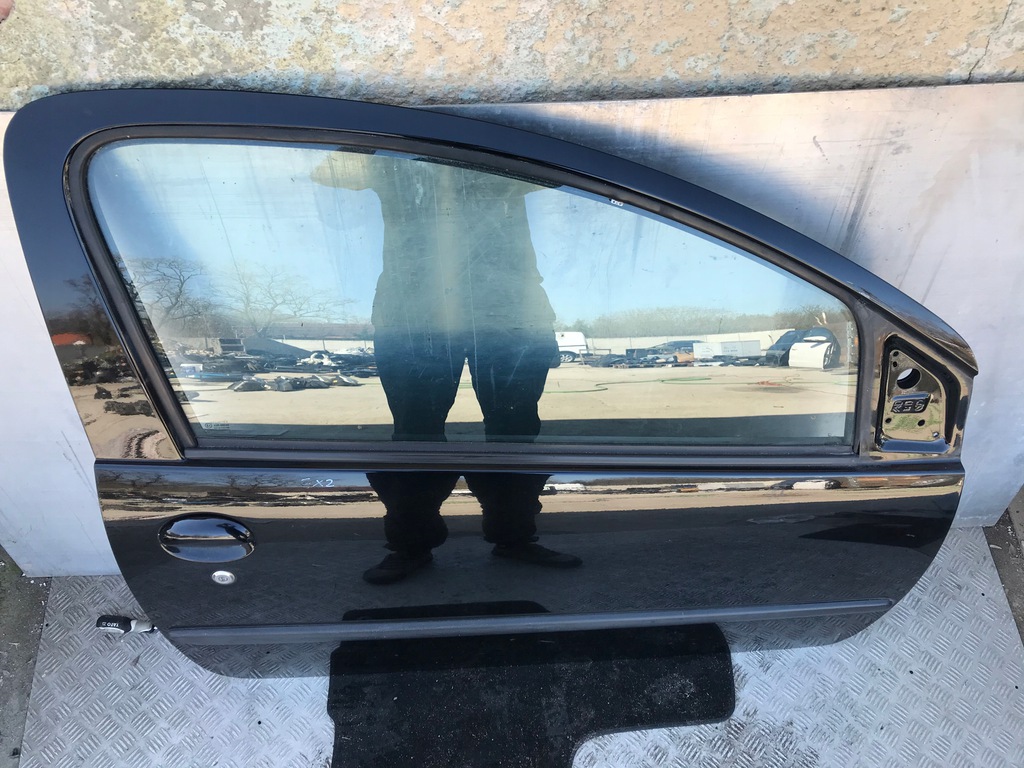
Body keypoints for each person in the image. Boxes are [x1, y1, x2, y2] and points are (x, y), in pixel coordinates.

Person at [312, 148, 582, 584]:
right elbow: (328, 175)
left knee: (514, 430)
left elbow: (561, 171)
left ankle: (513, 536)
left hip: (506, 311)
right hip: (416, 315)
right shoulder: (396, 159)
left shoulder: (496, 156)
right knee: (415, 432)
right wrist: (389, 140)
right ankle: (410, 544)